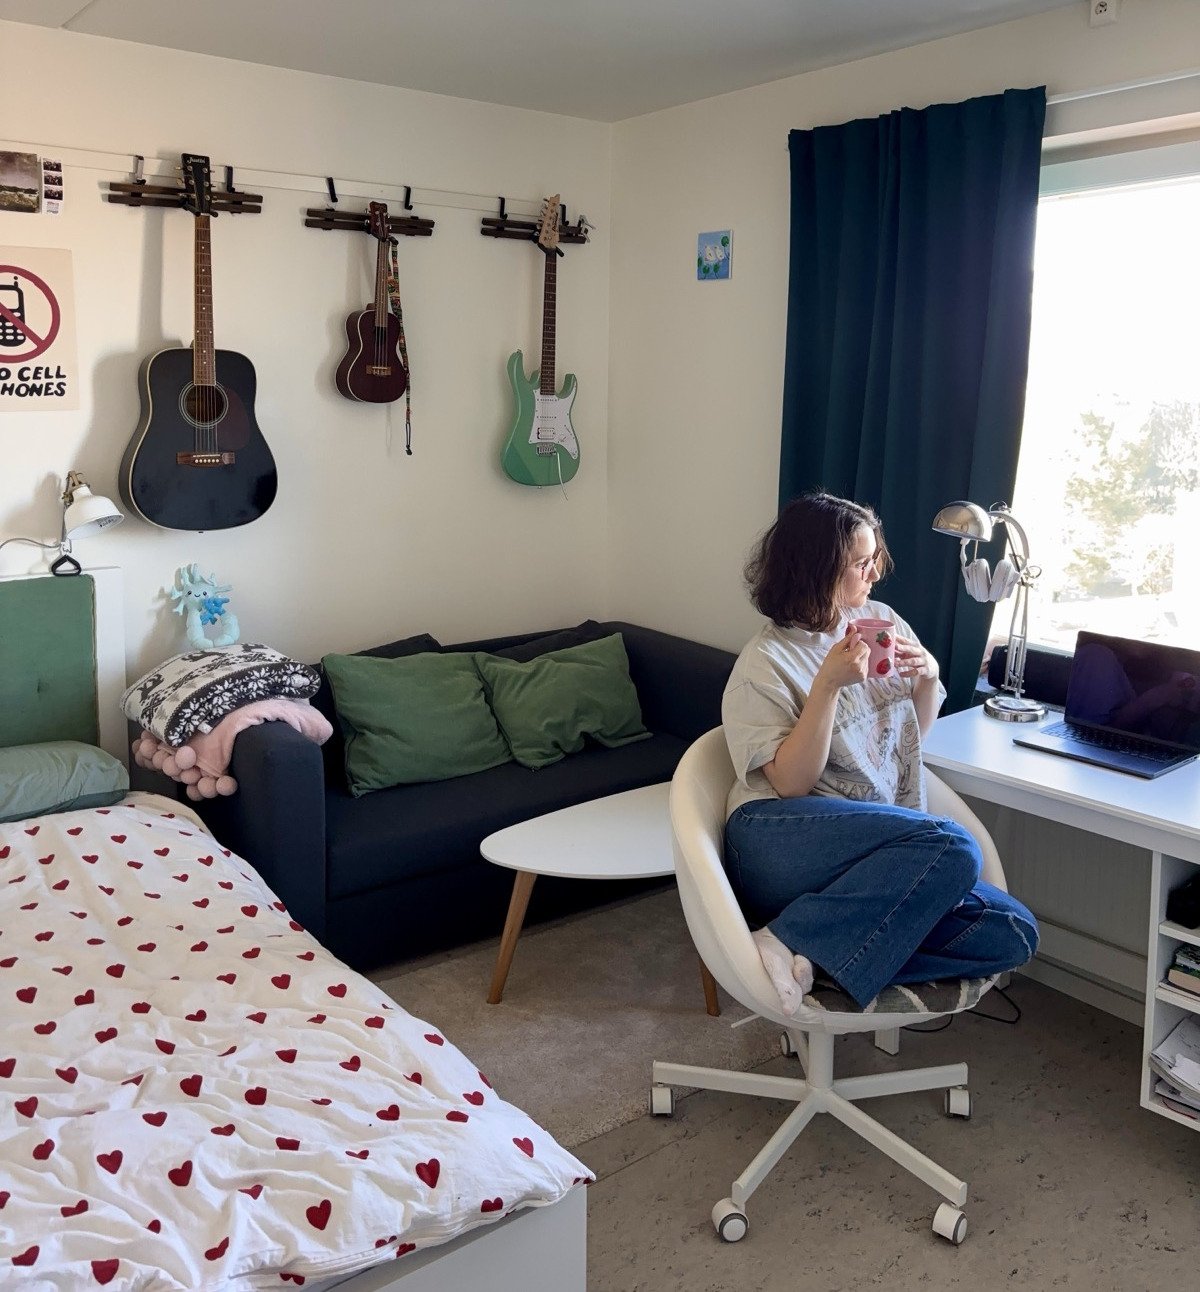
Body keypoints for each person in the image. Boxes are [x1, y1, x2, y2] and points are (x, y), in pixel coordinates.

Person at [722, 492, 1039, 1015]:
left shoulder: (880, 619)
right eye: (861, 563)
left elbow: (908, 742)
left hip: (877, 852)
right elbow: (791, 784)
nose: (874, 574)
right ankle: (789, 938)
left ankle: (810, 949)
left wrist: (928, 678)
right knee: (954, 846)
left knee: (1015, 931)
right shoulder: (765, 663)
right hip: (776, 836)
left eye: (874, 559)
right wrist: (826, 686)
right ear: (817, 569)